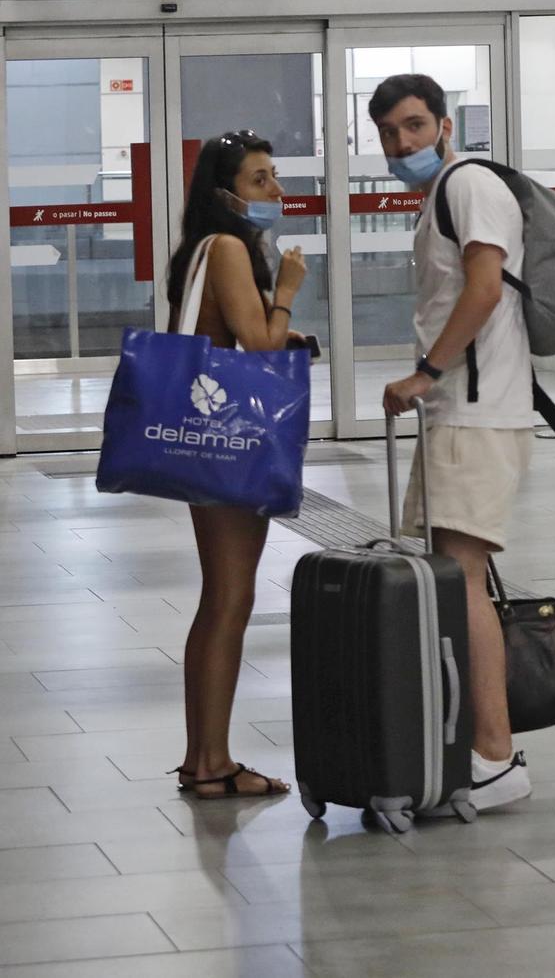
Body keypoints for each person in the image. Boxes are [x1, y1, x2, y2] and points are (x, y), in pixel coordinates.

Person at [372, 73, 535, 813]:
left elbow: (485, 287)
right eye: (388, 133)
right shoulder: (445, 192)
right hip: (460, 412)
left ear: (444, 124)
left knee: (463, 577)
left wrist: (426, 372)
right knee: (453, 573)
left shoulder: (468, 184)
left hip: (475, 410)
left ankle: (497, 757)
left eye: (412, 126)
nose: (401, 143)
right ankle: (478, 746)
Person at [166, 131, 306, 800]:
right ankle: (212, 762)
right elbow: (258, 341)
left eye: (274, 176)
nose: (276, 192)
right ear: (226, 193)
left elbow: (227, 332)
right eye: (260, 180)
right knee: (229, 598)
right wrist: (286, 291)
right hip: (229, 441)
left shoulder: (201, 249)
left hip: (206, 438)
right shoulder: (226, 248)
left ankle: (204, 756)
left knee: (221, 598)